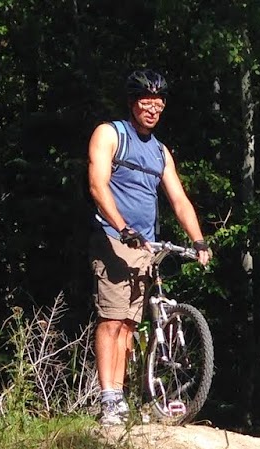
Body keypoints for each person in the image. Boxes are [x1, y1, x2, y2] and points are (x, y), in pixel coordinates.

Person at [87, 69, 212, 426]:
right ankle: (108, 397)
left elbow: (179, 199)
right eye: (146, 102)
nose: (153, 109)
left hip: (144, 246)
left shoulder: (160, 151)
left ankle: (120, 398)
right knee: (111, 319)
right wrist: (122, 227)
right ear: (132, 103)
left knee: (129, 324)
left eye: (158, 103)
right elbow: (98, 186)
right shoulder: (110, 134)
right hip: (114, 239)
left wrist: (198, 239)